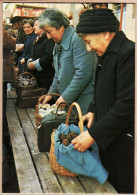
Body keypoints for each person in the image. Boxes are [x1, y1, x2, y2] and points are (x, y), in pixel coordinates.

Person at [71, 9, 135, 193]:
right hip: (111, 141)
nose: (88, 48)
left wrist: (93, 135)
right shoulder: (108, 53)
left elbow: (128, 105)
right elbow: (103, 89)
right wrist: (93, 109)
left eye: (88, 42)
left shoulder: (129, 54)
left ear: (106, 33)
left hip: (125, 146)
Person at [38, 8, 97, 114]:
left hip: (83, 105)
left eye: (49, 32)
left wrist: (66, 96)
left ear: (60, 26)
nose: (48, 36)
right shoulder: (58, 42)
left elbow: (83, 73)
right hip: (70, 104)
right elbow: (58, 74)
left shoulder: (77, 39)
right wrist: (51, 94)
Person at [27, 18, 55, 90]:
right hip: (37, 75)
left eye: (36, 25)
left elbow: (49, 56)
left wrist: (35, 64)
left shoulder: (49, 39)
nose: (34, 27)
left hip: (46, 76)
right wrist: (30, 62)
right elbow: (31, 53)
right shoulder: (36, 39)